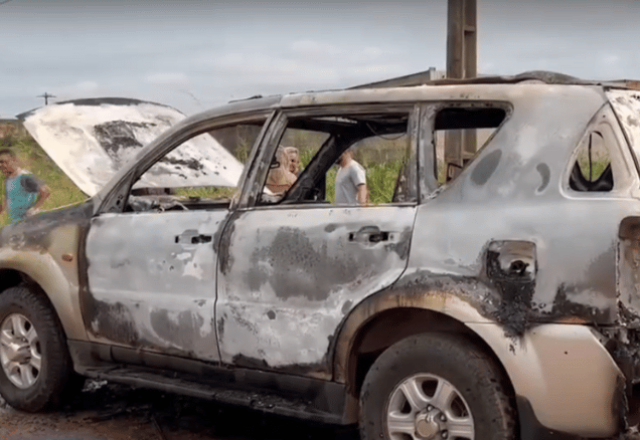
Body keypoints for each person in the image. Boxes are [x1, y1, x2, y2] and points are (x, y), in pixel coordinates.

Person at [0, 149, 50, 224]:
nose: (1, 165)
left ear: (13, 160)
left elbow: (45, 192)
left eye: (4, 162)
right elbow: (8, 199)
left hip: (29, 223)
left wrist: (34, 210)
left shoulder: (25, 177)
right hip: (15, 223)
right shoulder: (8, 179)